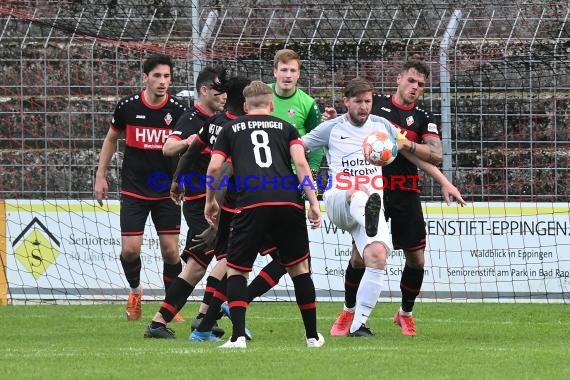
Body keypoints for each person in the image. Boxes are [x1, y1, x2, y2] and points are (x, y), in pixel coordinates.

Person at [303, 77, 464, 337]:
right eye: (358, 102)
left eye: (368, 101)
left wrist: (445, 181)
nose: (364, 107)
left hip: (369, 203)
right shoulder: (331, 128)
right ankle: (368, 211)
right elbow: (296, 147)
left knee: (377, 256)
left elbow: (408, 152)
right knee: (357, 193)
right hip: (338, 200)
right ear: (346, 102)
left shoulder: (382, 126)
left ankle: (358, 324)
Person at [205, 80, 324, 348]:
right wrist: (314, 202)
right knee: (299, 268)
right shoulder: (287, 128)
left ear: (246, 106)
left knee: (237, 270)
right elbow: (302, 164)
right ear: (271, 105)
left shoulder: (231, 128)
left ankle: (237, 338)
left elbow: (214, 168)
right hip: (288, 202)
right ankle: (312, 337)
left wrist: (210, 201)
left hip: (251, 203)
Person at [143, 76, 252, 341]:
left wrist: (177, 180)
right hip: (214, 205)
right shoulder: (236, 129)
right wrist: (214, 211)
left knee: (203, 264)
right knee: (227, 263)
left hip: (204, 202)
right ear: (246, 101)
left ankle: (181, 321)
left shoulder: (214, 122)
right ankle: (200, 319)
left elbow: (191, 152)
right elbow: (224, 172)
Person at [94, 54, 187, 321]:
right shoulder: (127, 107)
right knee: (130, 249)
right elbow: (111, 139)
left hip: (167, 191)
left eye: (167, 76)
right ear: (145, 77)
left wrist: (182, 180)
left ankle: (170, 306)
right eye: (157, 76)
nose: (162, 81)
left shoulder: (179, 111)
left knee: (171, 251)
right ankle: (135, 291)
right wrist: (100, 175)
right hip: (134, 190)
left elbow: (188, 149)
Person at [240, 48, 326, 307]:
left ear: (299, 74)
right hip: (256, 186)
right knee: (292, 259)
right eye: (284, 70)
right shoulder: (260, 96)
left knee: (294, 259)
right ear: (275, 71)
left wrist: (309, 180)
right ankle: (227, 306)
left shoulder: (308, 104)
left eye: (293, 71)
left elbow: (317, 145)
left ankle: (229, 306)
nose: (288, 75)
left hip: (288, 189)